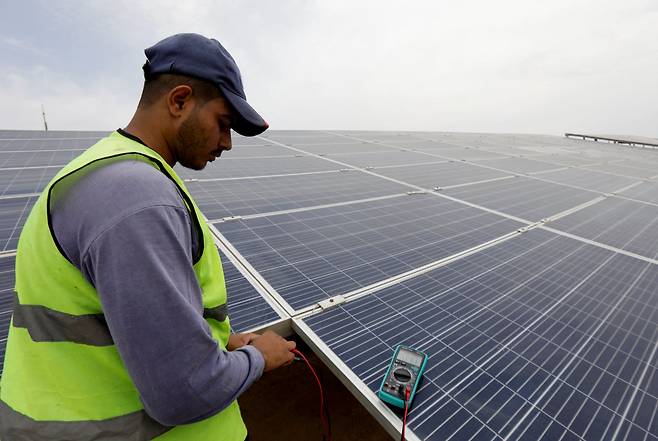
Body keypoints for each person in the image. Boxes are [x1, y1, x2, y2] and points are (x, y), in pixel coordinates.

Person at [0, 33, 295, 440]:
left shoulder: (104, 171)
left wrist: (216, 345)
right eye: (223, 124)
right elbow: (184, 393)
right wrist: (258, 358)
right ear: (179, 101)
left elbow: (121, 326)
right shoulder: (138, 199)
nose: (227, 143)